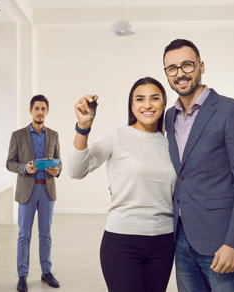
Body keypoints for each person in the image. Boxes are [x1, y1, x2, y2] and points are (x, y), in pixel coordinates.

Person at [162, 39, 234, 292]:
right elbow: (179, 172)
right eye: (172, 68)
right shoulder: (170, 116)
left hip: (221, 241)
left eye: (186, 65)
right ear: (166, 74)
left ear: (201, 66)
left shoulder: (231, 111)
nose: (180, 73)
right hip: (182, 238)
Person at [67, 77, 177, 292]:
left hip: (164, 242)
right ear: (132, 106)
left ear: (164, 104)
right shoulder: (117, 135)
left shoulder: (171, 143)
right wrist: (83, 128)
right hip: (123, 240)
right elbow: (75, 171)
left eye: (155, 98)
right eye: (140, 99)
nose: (147, 105)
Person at [6, 94, 62, 292]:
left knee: (45, 234)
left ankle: (46, 272)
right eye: (36, 108)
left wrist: (57, 170)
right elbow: (10, 163)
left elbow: (58, 161)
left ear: (47, 111)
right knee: (24, 235)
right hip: (27, 191)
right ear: (30, 111)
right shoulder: (18, 135)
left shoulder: (54, 135)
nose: (40, 112)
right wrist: (24, 168)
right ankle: (22, 275)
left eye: (43, 108)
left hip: (46, 190)